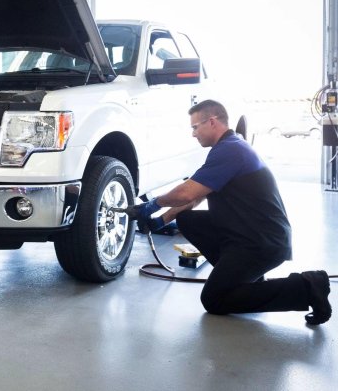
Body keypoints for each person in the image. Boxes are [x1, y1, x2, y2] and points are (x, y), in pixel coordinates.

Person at [130, 99, 331, 325]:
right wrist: (160, 221)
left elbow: (186, 193)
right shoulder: (230, 147)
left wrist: (152, 204)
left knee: (214, 299)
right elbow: (196, 196)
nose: (193, 134)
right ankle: (244, 277)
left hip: (261, 242)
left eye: (195, 127)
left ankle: (307, 286)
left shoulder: (231, 151)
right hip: (249, 233)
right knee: (187, 219)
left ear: (213, 122)